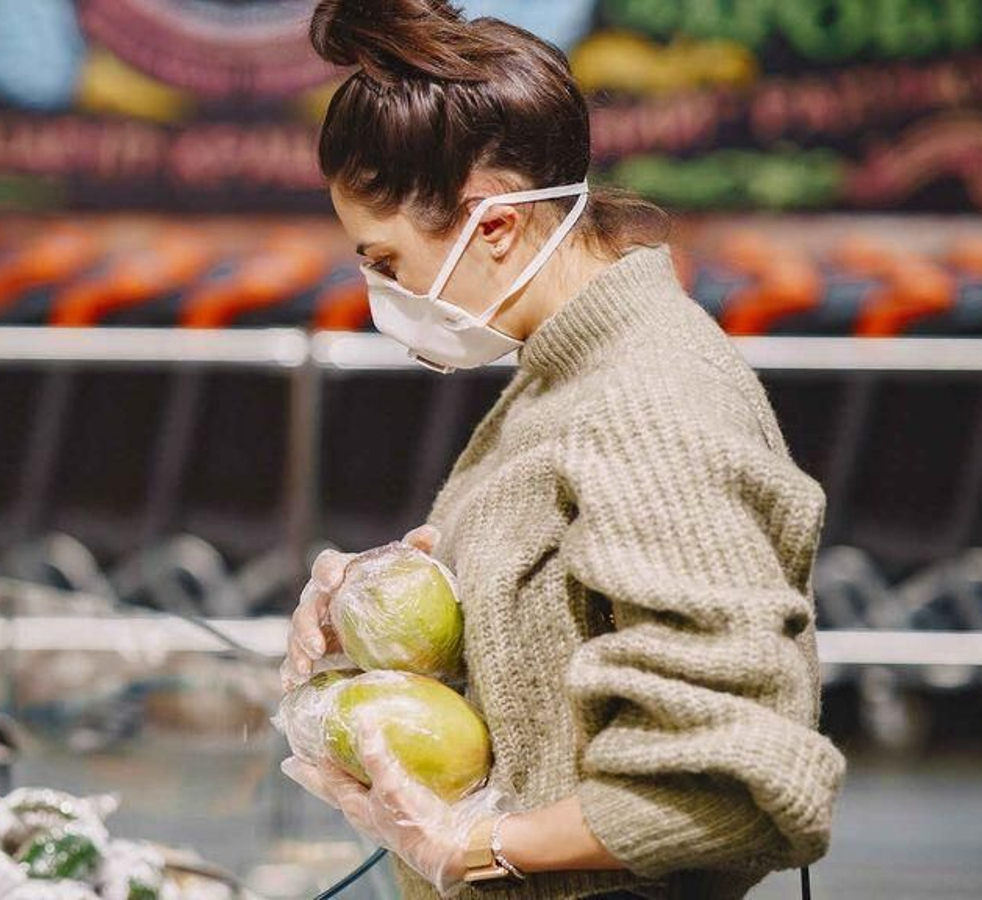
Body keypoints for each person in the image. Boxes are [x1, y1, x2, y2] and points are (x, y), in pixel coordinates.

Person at [278, 2, 847, 898]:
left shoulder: (648, 401)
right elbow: (559, 626)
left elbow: (736, 779)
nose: (380, 292)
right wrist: (383, 606)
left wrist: (475, 846)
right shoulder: (558, 377)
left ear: (494, 226)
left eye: (384, 260)